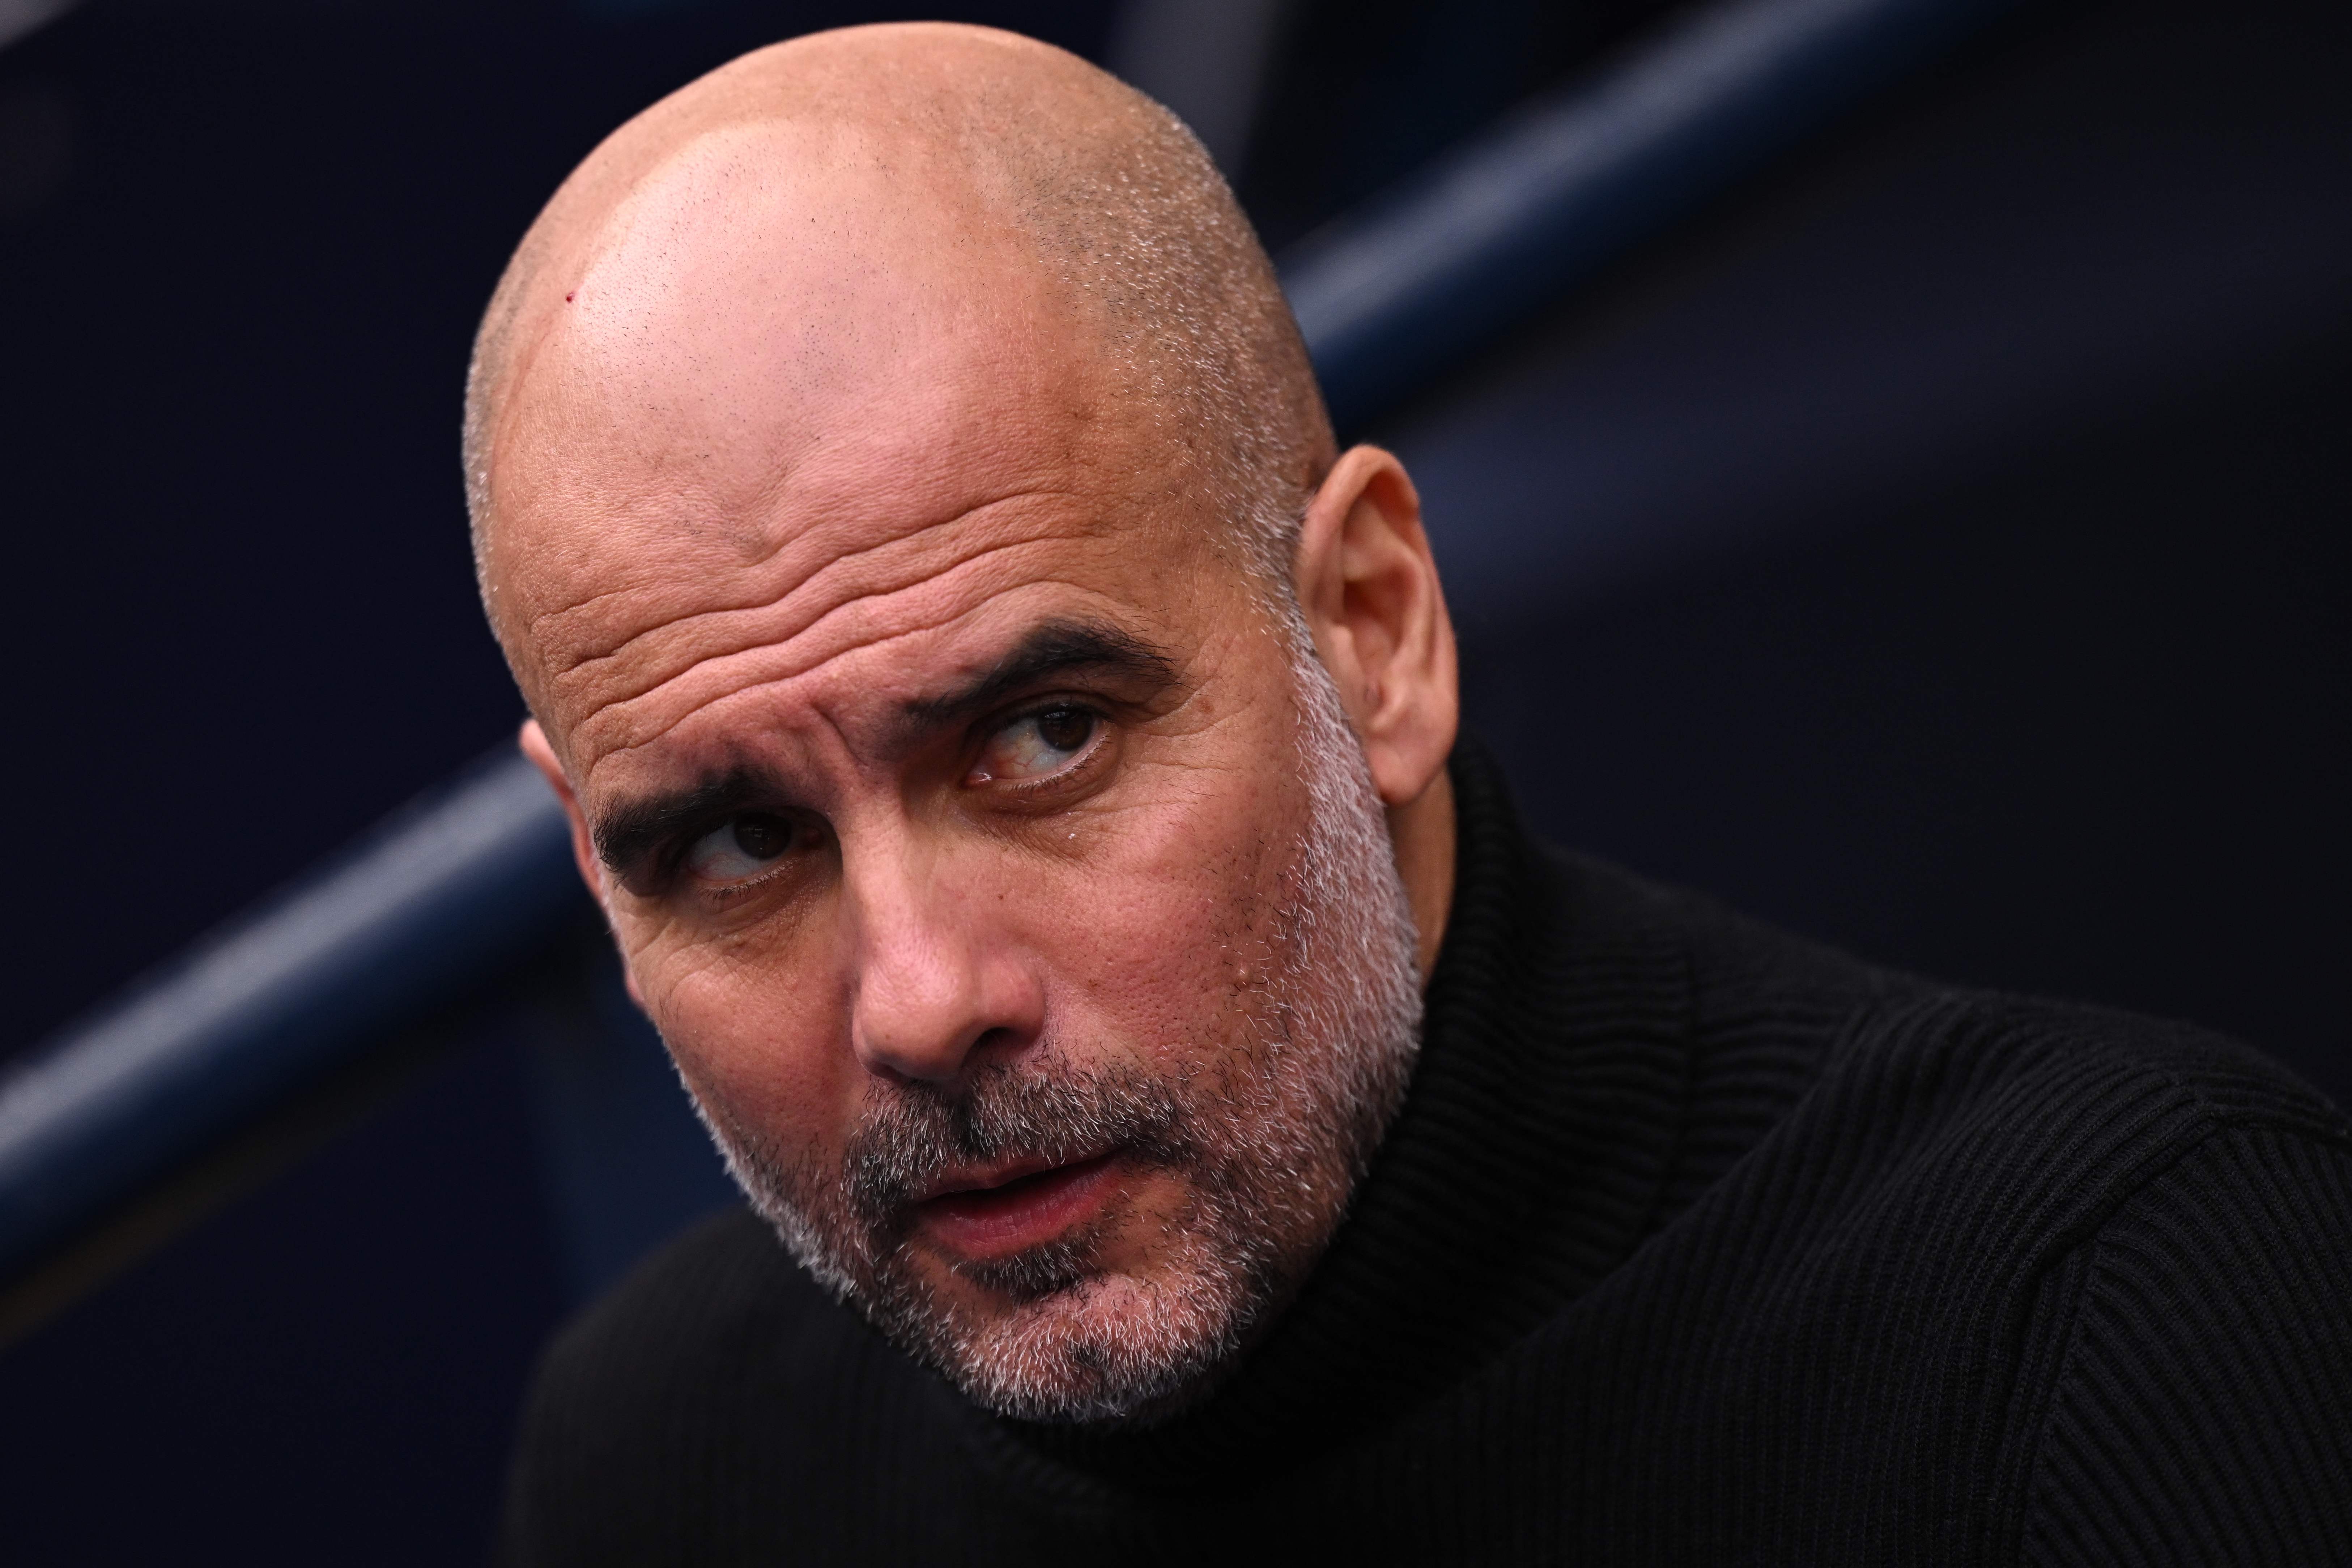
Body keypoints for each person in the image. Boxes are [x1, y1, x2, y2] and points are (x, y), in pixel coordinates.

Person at [471, 22, 2352, 1565]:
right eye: (739, 845)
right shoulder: (670, 1460)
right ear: (596, 871)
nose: (922, 999)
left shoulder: (2117, 1326)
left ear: (1371, 630)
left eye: (1045, 739)